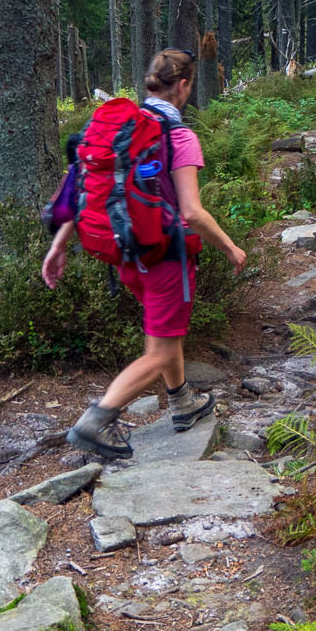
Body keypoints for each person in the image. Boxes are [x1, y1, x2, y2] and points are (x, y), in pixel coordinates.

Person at [42, 48, 247, 459]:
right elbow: (191, 212)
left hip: (128, 257)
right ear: (184, 85)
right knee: (160, 351)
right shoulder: (179, 136)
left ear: (150, 83)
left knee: (165, 337)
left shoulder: (118, 131)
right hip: (167, 258)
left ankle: (183, 401)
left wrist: (59, 243)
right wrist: (229, 246)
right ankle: (96, 420)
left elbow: (82, 189)